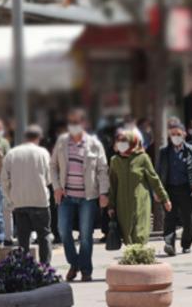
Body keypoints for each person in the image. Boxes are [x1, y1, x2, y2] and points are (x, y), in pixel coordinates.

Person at [50, 109, 109, 282]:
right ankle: (74, 263)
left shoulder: (94, 144)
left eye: (77, 122)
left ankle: (85, 269)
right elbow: (52, 166)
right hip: (66, 196)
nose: (73, 126)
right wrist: (56, 187)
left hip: (88, 197)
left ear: (84, 123)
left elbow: (102, 170)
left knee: (85, 235)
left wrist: (104, 192)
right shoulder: (62, 142)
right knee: (63, 231)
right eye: (71, 122)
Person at [109, 130, 171, 245]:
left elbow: (154, 179)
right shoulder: (115, 161)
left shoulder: (143, 158)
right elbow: (112, 185)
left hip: (141, 202)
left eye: (124, 142)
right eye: (119, 142)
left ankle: (139, 256)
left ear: (133, 143)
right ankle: (133, 258)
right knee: (127, 234)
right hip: (122, 205)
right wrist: (111, 206)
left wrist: (164, 198)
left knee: (139, 234)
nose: (121, 145)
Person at [2, 125, 53, 263]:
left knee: (23, 239)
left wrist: (10, 197)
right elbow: (49, 178)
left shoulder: (12, 153)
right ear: (39, 138)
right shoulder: (43, 153)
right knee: (44, 235)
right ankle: (45, 267)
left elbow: (4, 179)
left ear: (25, 138)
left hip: (20, 201)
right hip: (40, 200)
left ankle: (25, 269)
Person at [157, 119, 192, 256]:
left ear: (184, 135)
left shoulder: (191, 150)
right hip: (170, 189)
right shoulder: (164, 152)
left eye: (178, 134)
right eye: (173, 134)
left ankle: (186, 244)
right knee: (169, 218)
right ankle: (169, 244)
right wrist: (157, 190)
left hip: (186, 189)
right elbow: (158, 172)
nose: (175, 137)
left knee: (188, 219)